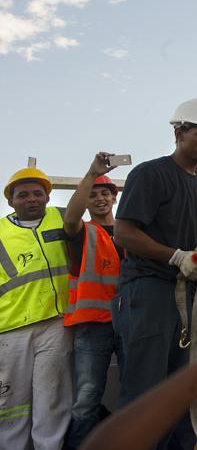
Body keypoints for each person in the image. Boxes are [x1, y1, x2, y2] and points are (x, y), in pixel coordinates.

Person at [112, 98, 197, 449]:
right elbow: (124, 233)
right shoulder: (150, 174)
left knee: (180, 391)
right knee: (146, 391)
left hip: (185, 297)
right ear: (179, 132)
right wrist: (176, 256)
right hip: (148, 292)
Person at [0, 167, 72, 450]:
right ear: (11, 201)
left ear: (47, 196)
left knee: (52, 396)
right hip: (10, 329)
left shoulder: (63, 217)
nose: (31, 199)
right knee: (11, 401)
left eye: (37, 193)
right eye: (23, 194)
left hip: (57, 322)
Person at [62, 154, 124, 448]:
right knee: (86, 399)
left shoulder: (130, 231)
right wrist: (91, 175)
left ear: (114, 198)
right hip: (93, 326)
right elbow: (70, 219)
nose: (100, 199)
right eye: (94, 195)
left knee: (135, 392)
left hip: (129, 322)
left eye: (105, 193)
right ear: (86, 200)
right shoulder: (82, 232)